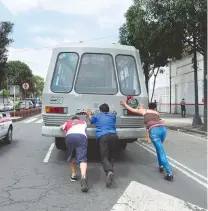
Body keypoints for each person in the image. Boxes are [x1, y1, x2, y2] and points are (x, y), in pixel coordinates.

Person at [120, 100, 173, 181]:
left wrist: (124, 104)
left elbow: (131, 109)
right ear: (155, 108)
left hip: (154, 131)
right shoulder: (157, 113)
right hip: (163, 129)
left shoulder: (144, 110)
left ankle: (169, 173)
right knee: (159, 149)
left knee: (161, 151)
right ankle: (161, 166)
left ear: (148, 107)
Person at [87, 103, 118, 188]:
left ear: (100, 110)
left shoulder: (97, 116)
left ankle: (109, 171)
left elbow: (91, 120)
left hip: (103, 136)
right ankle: (110, 172)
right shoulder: (112, 116)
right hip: (114, 136)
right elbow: (111, 119)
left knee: (104, 156)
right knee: (111, 155)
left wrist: (89, 114)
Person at [60, 116, 89, 192]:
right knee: (83, 158)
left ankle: (74, 174)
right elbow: (85, 130)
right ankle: (83, 176)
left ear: (72, 120)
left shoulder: (68, 122)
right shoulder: (83, 122)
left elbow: (61, 127)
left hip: (70, 136)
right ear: (78, 120)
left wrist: (62, 127)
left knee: (71, 155)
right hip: (81, 137)